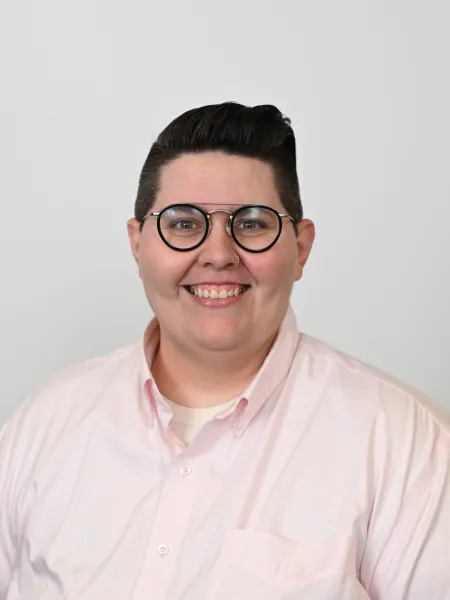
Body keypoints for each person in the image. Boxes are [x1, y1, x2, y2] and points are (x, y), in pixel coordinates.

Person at [0, 102, 449, 600]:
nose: (217, 254)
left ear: (301, 248)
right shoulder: (42, 426)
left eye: (253, 223)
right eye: (184, 223)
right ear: (137, 244)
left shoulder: (409, 446)